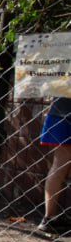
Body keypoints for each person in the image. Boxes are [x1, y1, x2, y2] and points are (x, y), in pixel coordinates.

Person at [37, 97, 71, 234]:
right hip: (63, 112)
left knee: (60, 164)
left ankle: (49, 218)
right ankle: (49, 219)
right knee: (61, 164)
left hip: (59, 112)